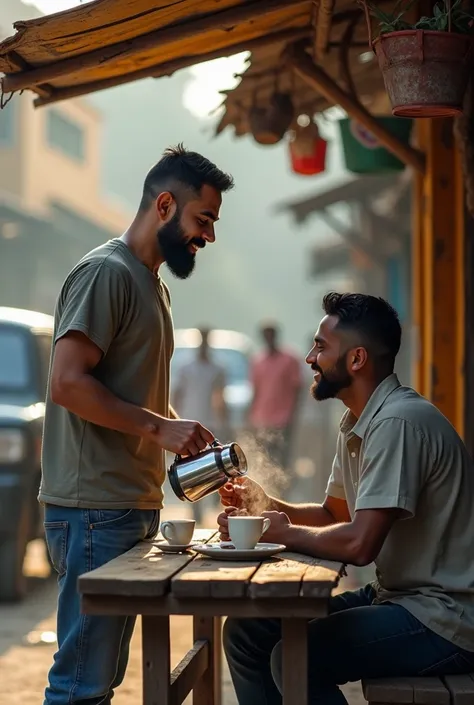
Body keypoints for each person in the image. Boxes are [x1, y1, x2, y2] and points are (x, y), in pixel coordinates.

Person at [40, 144, 234, 705]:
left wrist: (181, 431)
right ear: (166, 204)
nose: (209, 237)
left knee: (98, 680)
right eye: (204, 220)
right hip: (92, 509)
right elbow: (68, 382)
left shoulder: (151, 283)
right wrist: (157, 428)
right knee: (81, 684)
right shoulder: (106, 273)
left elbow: (123, 390)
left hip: (125, 504)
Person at [218, 292, 474, 705]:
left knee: (297, 657)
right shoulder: (360, 420)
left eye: (320, 347)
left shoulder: (397, 423)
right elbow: (332, 515)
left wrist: (283, 534)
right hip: (401, 598)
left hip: (448, 618)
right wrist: (268, 507)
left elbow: (359, 544)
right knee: (248, 632)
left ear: (356, 359)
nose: (309, 358)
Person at [172, 327, 229, 523]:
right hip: (189, 422)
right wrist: (175, 421)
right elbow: (177, 395)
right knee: (192, 466)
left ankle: (212, 498)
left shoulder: (217, 368)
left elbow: (220, 397)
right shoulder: (185, 367)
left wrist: (224, 421)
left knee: (214, 466)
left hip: (211, 423)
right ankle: (196, 509)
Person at [248, 322, 303, 472]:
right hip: (261, 418)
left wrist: (294, 415)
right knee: (264, 459)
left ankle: (282, 492)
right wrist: (250, 417)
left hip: (283, 419)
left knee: (281, 459)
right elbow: (255, 391)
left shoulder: (289, 359)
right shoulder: (258, 361)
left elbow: (297, 388)